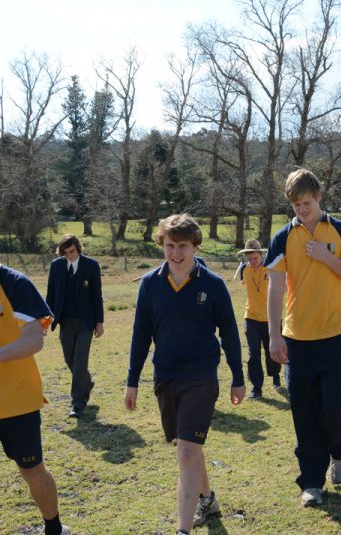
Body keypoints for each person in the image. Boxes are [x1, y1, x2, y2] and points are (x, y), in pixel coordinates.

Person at [124, 214, 245, 534]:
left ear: (194, 247)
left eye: (182, 246)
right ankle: (207, 498)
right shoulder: (150, 284)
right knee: (187, 444)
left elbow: (230, 334)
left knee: (187, 451)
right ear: (161, 246)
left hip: (202, 378)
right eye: (169, 246)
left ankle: (183, 529)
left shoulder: (213, 285)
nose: (176, 252)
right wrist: (132, 380)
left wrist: (238, 376)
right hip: (165, 377)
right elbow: (140, 334)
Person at [265, 168, 341, 508]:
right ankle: (311, 482)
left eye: (306, 203)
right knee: (304, 414)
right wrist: (274, 336)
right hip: (298, 341)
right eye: (295, 205)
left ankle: (340, 452)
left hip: (337, 337)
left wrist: (327, 257)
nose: (302, 210)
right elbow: (275, 288)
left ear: (319, 197)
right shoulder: (282, 238)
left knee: (335, 409)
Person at [0, 264, 71, 535]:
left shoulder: (14, 283)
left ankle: (53, 528)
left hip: (17, 400)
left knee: (32, 469)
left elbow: (33, 341)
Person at [46, 234, 104, 418]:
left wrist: (99, 322)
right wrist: (46, 319)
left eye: (71, 251)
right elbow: (51, 294)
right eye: (65, 252)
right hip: (65, 322)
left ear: (78, 248)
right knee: (70, 360)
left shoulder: (91, 265)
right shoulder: (56, 266)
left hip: (86, 322)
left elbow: (97, 295)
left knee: (80, 361)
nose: (69, 255)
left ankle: (77, 403)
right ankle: (86, 382)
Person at [237, 238, 282, 399]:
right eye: (249, 259)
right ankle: (256, 387)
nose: (252, 262)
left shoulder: (271, 270)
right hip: (251, 317)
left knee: (272, 352)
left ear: (261, 255)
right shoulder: (245, 271)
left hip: (271, 318)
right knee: (252, 353)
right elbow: (244, 284)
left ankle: (275, 374)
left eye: (255, 258)